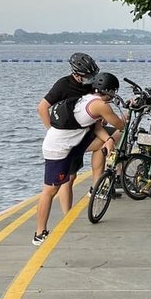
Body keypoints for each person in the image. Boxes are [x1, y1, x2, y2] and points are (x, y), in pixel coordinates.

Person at [33, 71, 127, 246]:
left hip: (73, 144)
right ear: (108, 91)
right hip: (58, 150)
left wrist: (107, 140)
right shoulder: (101, 106)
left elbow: (98, 128)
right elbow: (120, 125)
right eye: (113, 92)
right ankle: (39, 234)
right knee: (50, 191)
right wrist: (125, 116)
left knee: (100, 144)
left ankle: (95, 185)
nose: (114, 96)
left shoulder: (88, 98)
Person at [36, 52, 100, 219]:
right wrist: (51, 130)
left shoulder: (90, 85)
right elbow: (42, 108)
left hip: (84, 133)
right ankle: (67, 215)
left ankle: (96, 185)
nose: (90, 79)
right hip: (67, 137)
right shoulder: (63, 85)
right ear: (77, 74)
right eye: (87, 76)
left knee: (107, 141)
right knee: (68, 178)